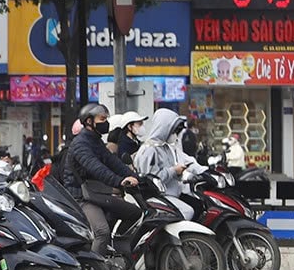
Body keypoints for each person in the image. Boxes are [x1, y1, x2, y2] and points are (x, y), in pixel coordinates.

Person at [61, 103, 142, 253]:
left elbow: (114, 162)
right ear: (89, 121)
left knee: (135, 213)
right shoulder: (80, 144)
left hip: (97, 194)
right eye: (102, 119)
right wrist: (120, 181)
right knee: (102, 232)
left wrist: (136, 177)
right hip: (81, 196)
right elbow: (97, 169)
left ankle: (115, 249)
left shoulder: (95, 140)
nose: (106, 123)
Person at [134, 109, 198, 214]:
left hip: (172, 194)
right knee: (187, 212)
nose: (175, 134)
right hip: (158, 196)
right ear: (164, 128)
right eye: (173, 131)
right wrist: (174, 171)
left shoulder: (164, 147)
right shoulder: (149, 150)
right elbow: (151, 179)